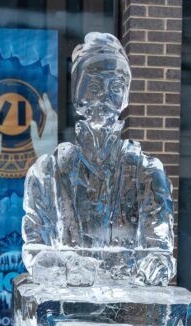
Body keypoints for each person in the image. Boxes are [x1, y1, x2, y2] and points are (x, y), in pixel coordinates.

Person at [21, 32, 176, 288]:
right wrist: (59, 265)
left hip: (125, 305)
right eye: (93, 87)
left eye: (115, 87)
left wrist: (155, 265)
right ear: (77, 95)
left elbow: (159, 249)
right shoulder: (46, 173)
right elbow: (35, 248)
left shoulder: (147, 172)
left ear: (125, 96)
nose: (103, 97)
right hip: (68, 304)